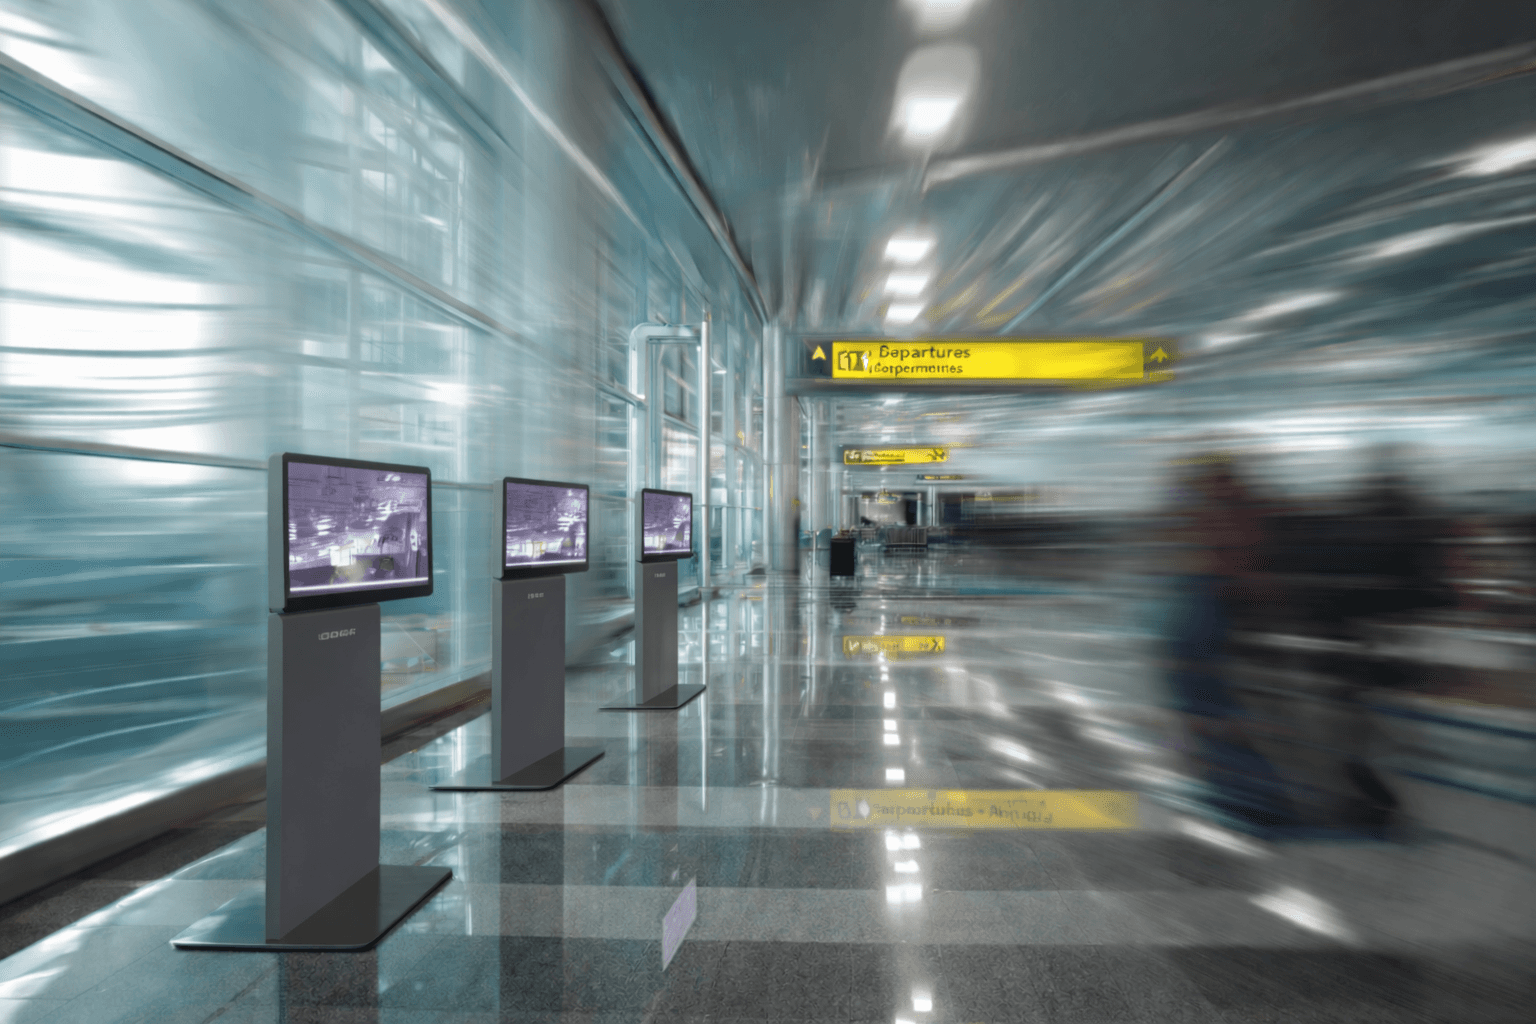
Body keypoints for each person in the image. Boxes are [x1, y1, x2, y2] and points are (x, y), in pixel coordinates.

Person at [1161, 454, 1295, 832]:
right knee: (1207, 708)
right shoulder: (1234, 514)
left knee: (1208, 707)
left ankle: (1253, 795)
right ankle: (1246, 793)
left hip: (1212, 606)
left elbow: (1241, 563)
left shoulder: (1229, 516)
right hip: (1209, 605)